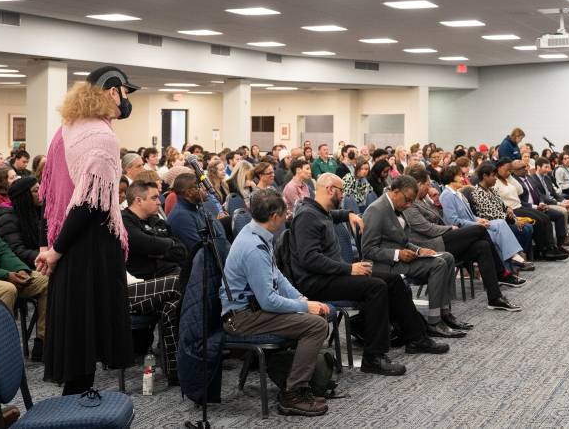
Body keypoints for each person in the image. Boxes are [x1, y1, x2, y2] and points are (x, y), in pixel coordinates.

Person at [36, 65, 137, 395]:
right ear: (112, 92)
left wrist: (48, 245)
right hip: (89, 249)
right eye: (125, 92)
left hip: (68, 243)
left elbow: (49, 196)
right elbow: (90, 204)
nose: (127, 101)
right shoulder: (101, 136)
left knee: (78, 341)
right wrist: (56, 250)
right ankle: (78, 408)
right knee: (85, 341)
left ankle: (77, 405)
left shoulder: (66, 129)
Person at [289, 173, 448, 376]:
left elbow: (331, 216)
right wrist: (349, 269)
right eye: (341, 191)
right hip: (315, 282)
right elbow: (309, 259)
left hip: (330, 275)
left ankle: (416, 338)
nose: (344, 195)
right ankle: (373, 356)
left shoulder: (320, 211)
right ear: (330, 190)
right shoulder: (307, 216)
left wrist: (348, 214)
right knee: (376, 287)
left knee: (392, 281)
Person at [221, 189, 331, 417]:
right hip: (242, 318)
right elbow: (269, 301)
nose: (287, 215)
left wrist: (301, 299)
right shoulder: (253, 248)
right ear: (273, 216)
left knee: (314, 316)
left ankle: (296, 383)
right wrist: (305, 307)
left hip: (252, 311)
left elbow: (277, 277)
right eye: (285, 212)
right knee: (316, 325)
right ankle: (293, 394)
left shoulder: (256, 233)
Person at [361, 175, 470, 338]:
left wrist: (419, 251)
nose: (409, 205)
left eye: (412, 201)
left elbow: (403, 241)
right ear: (396, 192)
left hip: (399, 260)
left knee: (447, 257)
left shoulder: (398, 206)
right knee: (438, 264)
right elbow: (368, 250)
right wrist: (397, 254)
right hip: (384, 265)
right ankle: (434, 322)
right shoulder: (376, 210)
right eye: (407, 200)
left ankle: (445, 313)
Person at [404, 166, 524, 311]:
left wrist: (436, 205)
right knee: (480, 230)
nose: (430, 188)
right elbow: (427, 229)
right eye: (427, 184)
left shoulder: (425, 200)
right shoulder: (410, 204)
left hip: (443, 239)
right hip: (431, 245)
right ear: (418, 184)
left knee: (482, 246)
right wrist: (450, 228)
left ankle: (495, 298)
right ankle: (501, 273)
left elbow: (438, 220)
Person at [121, 181, 185, 382]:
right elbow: (142, 243)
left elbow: (181, 250)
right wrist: (162, 246)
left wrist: (157, 248)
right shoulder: (124, 222)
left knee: (172, 306)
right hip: (132, 290)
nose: (160, 202)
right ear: (138, 200)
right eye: (154, 197)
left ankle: (176, 372)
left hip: (162, 285)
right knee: (182, 282)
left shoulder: (157, 221)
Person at [439, 165, 534, 271]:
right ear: (451, 177)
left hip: (474, 226)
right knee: (499, 234)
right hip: (465, 232)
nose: (462, 178)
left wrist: (479, 220)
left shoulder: (458, 194)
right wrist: (477, 224)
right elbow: (454, 221)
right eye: (459, 176)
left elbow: (470, 216)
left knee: (501, 223)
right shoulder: (447, 195)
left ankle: (513, 259)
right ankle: (511, 264)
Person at [0, 224, 49, 361]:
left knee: (45, 280)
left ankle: (43, 343)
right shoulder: (6, 216)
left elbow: (3, 250)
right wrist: (6, 275)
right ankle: (2, 352)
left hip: (0, 272)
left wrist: (20, 269)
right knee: (6, 290)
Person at [497, 159, 569, 257]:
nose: (509, 172)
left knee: (545, 217)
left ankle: (551, 248)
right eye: (507, 170)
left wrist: (510, 176)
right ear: (499, 168)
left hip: (520, 207)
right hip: (512, 210)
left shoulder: (509, 179)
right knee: (538, 220)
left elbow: (520, 190)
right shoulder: (496, 182)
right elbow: (498, 200)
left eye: (510, 170)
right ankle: (543, 250)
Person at [510, 160, 569, 248]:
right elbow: (520, 202)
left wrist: (541, 202)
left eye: (525, 166)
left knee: (559, 215)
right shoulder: (514, 182)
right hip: (527, 209)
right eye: (522, 168)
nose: (525, 169)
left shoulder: (529, 177)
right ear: (514, 171)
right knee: (545, 219)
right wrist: (536, 206)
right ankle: (548, 246)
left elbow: (539, 194)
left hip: (540, 206)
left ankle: (560, 244)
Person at [166, 173, 229, 255]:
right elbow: (201, 251)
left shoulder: (198, 207)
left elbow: (220, 235)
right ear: (189, 193)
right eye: (200, 186)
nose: (205, 188)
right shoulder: (180, 217)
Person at [531, 160, 569, 244]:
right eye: (546, 167)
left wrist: (563, 200)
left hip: (555, 201)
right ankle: (564, 236)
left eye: (548, 167)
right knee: (563, 211)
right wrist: (560, 204)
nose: (548, 170)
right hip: (545, 204)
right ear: (538, 167)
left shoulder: (547, 177)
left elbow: (554, 193)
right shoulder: (533, 179)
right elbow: (541, 197)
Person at [0, 177, 44, 268]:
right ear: (24, 196)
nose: (41, 193)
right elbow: (17, 251)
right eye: (36, 190)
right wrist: (45, 256)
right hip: (23, 267)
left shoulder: (38, 212)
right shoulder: (7, 219)